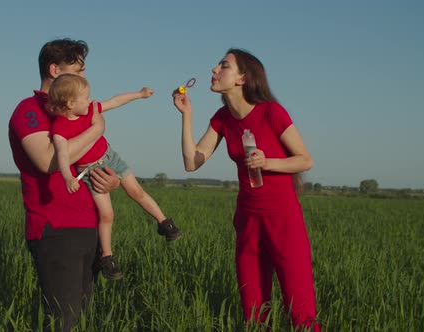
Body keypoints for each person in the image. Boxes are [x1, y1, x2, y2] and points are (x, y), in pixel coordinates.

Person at [172, 48, 320, 331]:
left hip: (283, 220)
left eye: (223, 66)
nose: (214, 70)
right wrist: (186, 115)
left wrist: (268, 162)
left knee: (300, 309)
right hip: (248, 219)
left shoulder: (271, 112)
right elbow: (192, 162)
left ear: (242, 78)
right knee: (253, 310)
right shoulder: (221, 117)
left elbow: (305, 160)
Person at [8, 38, 121, 332]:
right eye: (79, 71)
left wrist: (110, 180)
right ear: (55, 70)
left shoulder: (78, 112)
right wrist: (97, 129)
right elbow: (47, 161)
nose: (85, 78)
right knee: (62, 321)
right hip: (55, 228)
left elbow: (93, 160)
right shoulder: (29, 110)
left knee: (81, 318)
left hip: (88, 225)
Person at [46, 73, 182, 280]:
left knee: (137, 191)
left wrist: (140, 94)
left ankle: (164, 223)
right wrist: (67, 177)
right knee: (107, 214)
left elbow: (115, 101)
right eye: (85, 97)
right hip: (91, 172)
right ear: (70, 102)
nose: (90, 100)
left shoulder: (90, 109)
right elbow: (62, 155)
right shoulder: (59, 128)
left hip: (111, 158)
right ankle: (108, 257)